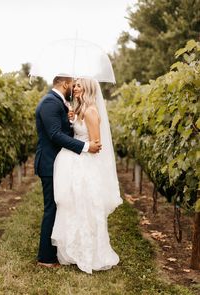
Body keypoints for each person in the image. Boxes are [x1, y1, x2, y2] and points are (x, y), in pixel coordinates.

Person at [51, 78, 123, 274]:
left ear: (88, 89)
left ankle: (90, 253)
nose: (74, 88)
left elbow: (96, 144)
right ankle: (74, 250)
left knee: (86, 208)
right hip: (76, 162)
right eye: (74, 85)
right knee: (74, 206)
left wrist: (84, 146)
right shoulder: (81, 109)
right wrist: (73, 119)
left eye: (79, 85)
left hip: (85, 165)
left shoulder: (91, 111)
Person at [34, 76, 101, 268]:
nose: (74, 87)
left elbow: (64, 129)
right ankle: (46, 257)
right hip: (49, 164)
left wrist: (70, 120)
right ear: (65, 84)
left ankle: (59, 250)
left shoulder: (59, 103)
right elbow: (55, 135)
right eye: (73, 84)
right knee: (52, 208)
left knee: (61, 206)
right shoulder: (50, 102)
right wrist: (85, 146)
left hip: (61, 164)